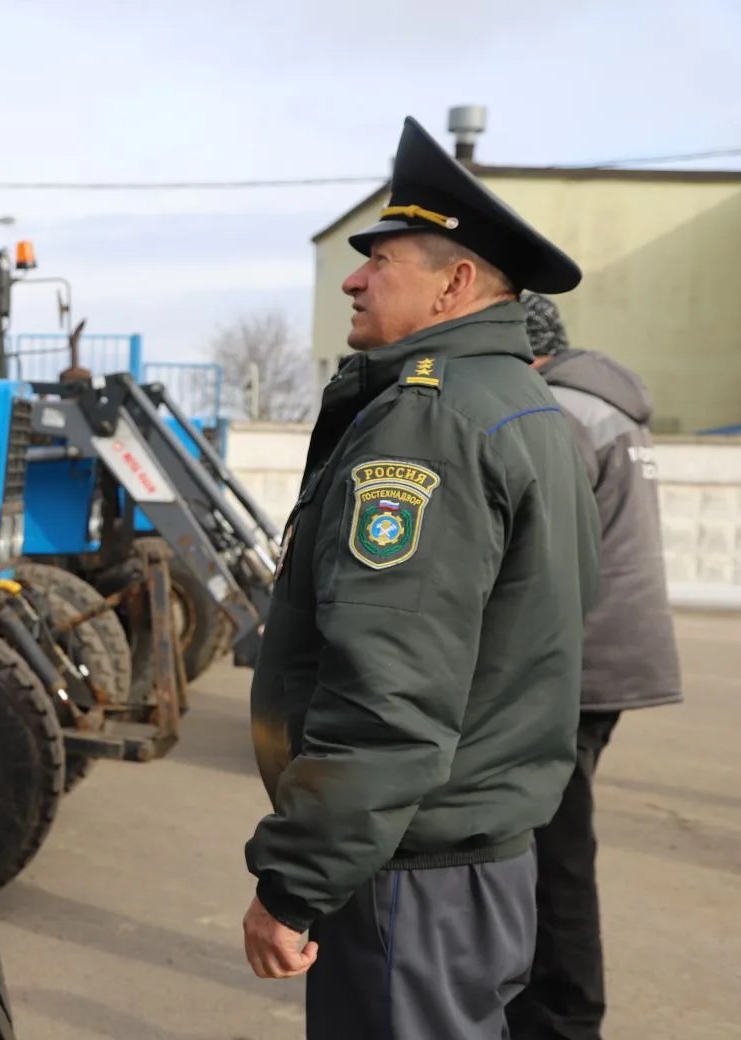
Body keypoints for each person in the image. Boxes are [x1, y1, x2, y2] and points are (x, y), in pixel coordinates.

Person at [239, 115, 602, 1039]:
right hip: (483, 859)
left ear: (457, 285)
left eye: (384, 259)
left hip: (414, 870)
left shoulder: (427, 425)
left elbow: (389, 692)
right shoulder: (525, 407)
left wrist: (293, 883)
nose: (355, 277)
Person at [505, 292, 682, 1040]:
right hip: (613, 655)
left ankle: (563, 1017)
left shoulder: (560, 412)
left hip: (577, 662)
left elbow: (543, 553)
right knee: (555, 845)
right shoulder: (608, 402)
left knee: (555, 854)